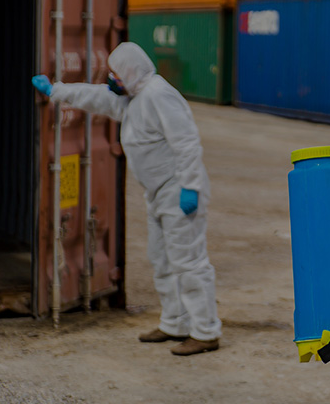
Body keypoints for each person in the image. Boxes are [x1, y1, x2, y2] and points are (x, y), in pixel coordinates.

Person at [31, 42, 221, 356]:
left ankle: (206, 331)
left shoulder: (159, 95)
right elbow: (95, 97)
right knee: (161, 260)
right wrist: (56, 91)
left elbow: (186, 142)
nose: (112, 80)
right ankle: (175, 323)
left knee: (189, 263)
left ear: (131, 72)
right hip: (157, 193)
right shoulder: (132, 98)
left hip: (178, 190)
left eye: (116, 74)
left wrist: (191, 186)